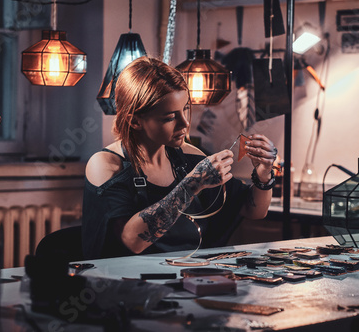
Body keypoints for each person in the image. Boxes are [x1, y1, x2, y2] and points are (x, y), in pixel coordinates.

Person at [82, 56, 277, 259]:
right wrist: (192, 184)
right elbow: (133, 241)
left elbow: (253, 210)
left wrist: (264, 173)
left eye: (185, 109)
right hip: (123, 283)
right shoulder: (106, 165)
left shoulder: (188, 158)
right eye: (169, 117)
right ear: (134, 121)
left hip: (186, 278)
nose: (184, 124)